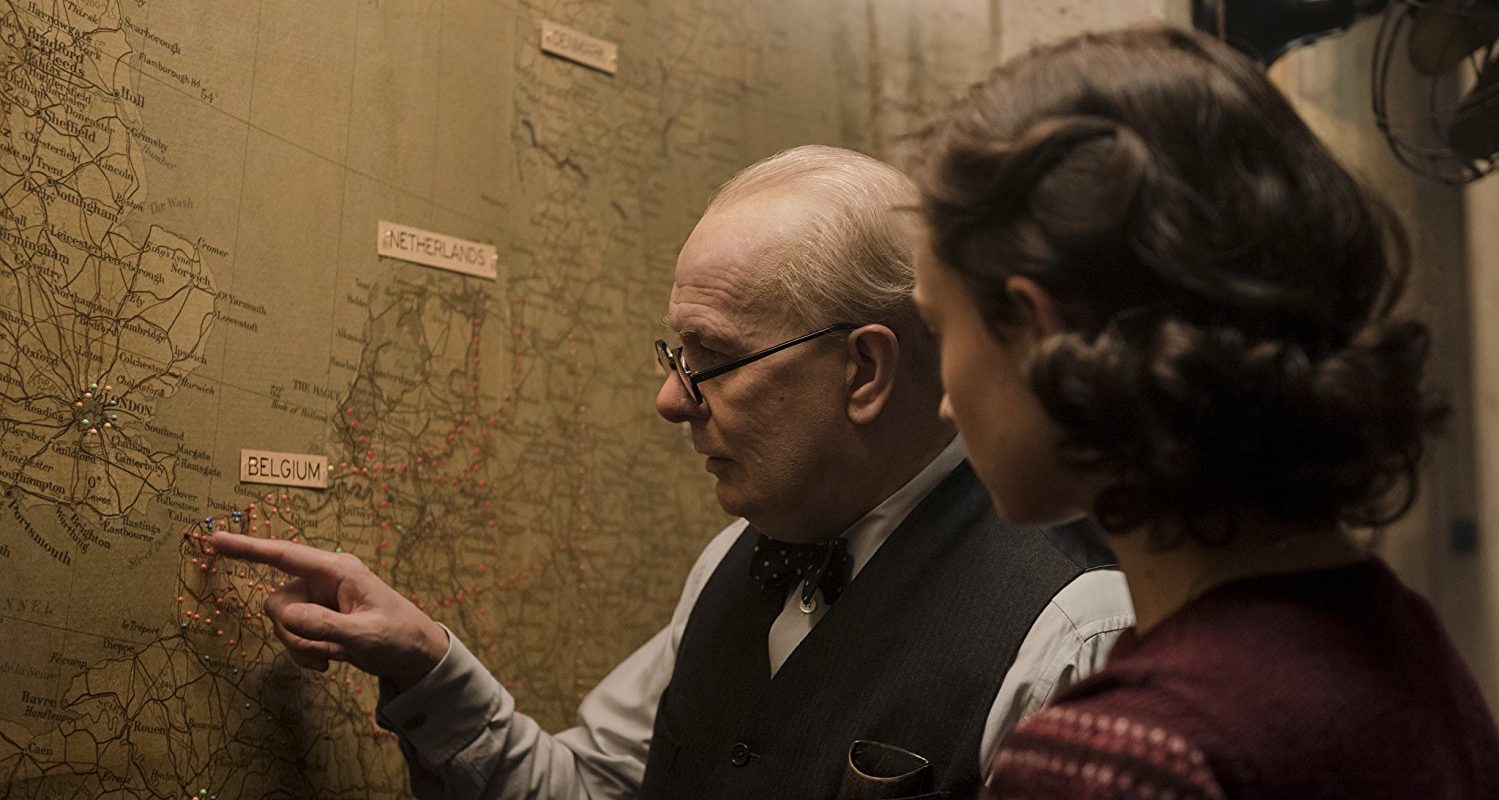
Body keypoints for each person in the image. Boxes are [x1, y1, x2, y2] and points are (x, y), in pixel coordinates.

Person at [211, 145, 1135, 800]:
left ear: (863, 370)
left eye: (712, 356)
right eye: (675, 353)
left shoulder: (1071, 636)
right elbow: (589, 787)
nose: (668, 398)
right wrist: (427, 665)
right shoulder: (730, 560)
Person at [909, 26, 1499, 800]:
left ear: (1039, 331)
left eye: (938, 328)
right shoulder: (1404, 638)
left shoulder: (1122, 762)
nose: (944, 401)